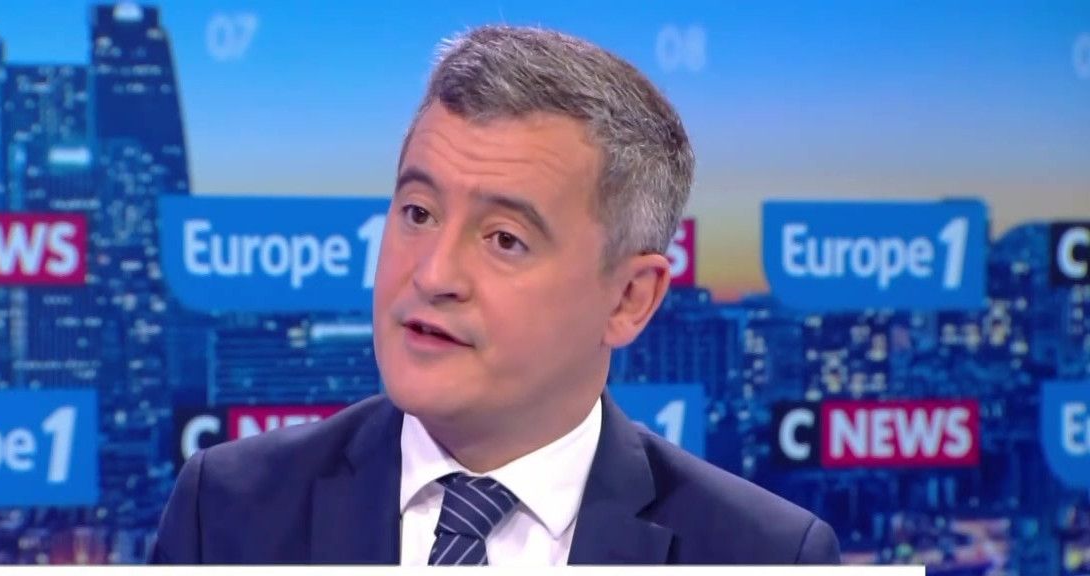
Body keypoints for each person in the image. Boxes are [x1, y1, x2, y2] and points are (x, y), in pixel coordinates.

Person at [150, 24, 841, 566]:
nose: (433, 274)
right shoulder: (228, 511)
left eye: (504, 239)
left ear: (629, 298)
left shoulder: (763, 555)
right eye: (418, 213)